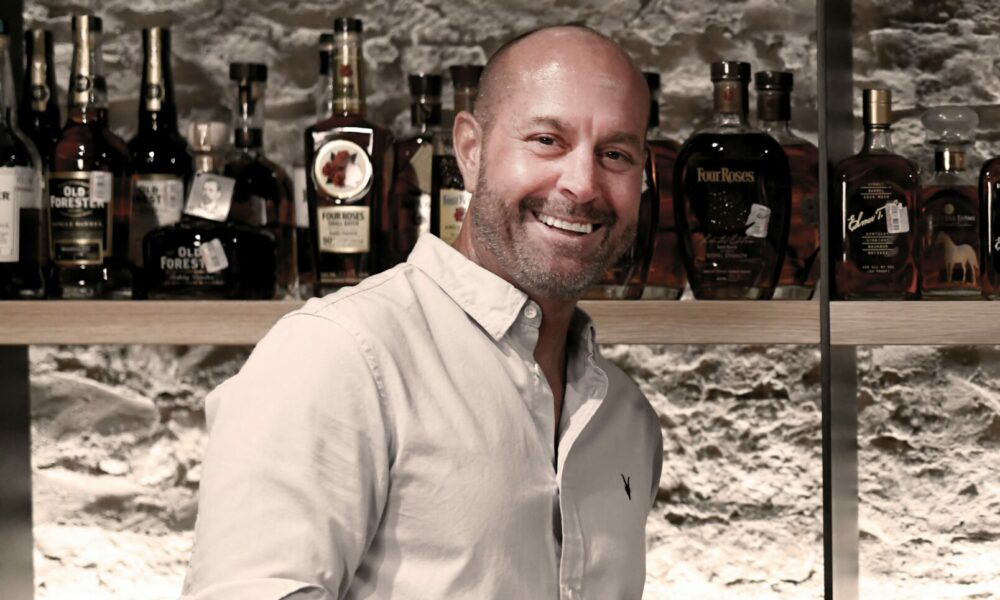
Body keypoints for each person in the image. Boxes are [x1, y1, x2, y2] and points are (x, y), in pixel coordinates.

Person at [182, 24, 663, 600]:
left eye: (615, 154)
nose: (582, 185)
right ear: (470, 150)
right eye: (546, 140)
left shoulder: (628, 419)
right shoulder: (339, 354)